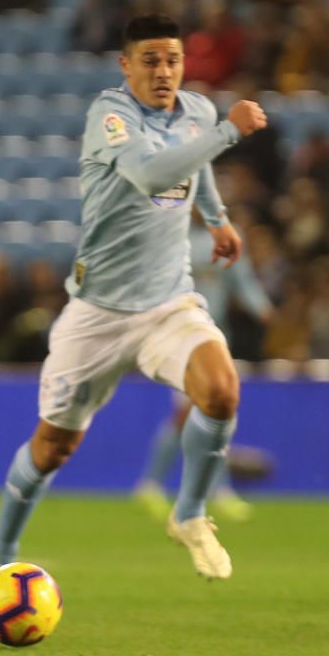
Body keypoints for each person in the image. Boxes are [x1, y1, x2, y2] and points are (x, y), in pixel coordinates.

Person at [0, 14, 267, 608]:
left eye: (173, 60)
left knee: (222, 390)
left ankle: (190, 513)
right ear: (125, 65)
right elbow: (152, 171)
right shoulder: (112, 117)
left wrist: (217, 217)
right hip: (98, 312)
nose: (164, 72)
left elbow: (195, 165)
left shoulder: (198, 113)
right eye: (150, 60)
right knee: (52, 448)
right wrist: (231, 132)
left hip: (167, 302)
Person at [133, 213, 274, 522]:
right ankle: (182, 487)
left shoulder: (225, 234)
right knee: (195, 412)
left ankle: (159, 486)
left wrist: (263, 309)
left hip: (215, 335)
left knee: (210, 413)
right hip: (179, 336)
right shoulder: (168, 233)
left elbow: (242, 278)